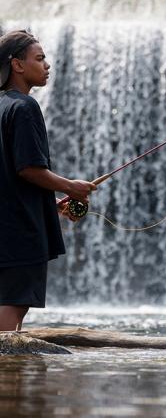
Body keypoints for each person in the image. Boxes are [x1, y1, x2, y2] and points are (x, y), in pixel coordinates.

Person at [0, 30, 97, 331]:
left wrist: (50, 204)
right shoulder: (25, 107)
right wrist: (72, 186)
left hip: (6, 224)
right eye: (39, 59)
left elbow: (8, 171)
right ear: (16, 65)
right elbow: (28, 169)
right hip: (21, 231)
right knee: (12, 305)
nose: (47, 65)